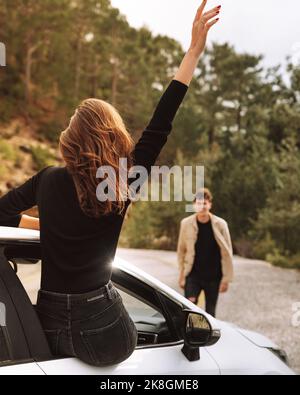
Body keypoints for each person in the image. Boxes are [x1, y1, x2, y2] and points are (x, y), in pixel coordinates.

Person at [0, 1, 221, 366]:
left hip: (50, 321)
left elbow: (2, 212)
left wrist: (43, 225)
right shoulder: (122, 181)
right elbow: (160, 122)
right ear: (110, 134)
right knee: (135, 339)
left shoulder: (48, 179)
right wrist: (193, 51)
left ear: (73, 137)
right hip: (102, 326)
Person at [177, 188, 233, 317]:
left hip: (214, 276)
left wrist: (226, 279)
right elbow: (181, 250)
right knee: (189, 310)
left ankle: (208, 337)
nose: (202, 206)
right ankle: (190, 337)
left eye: (205, 203)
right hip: (193, 275)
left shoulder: (221, 224)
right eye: (199, 203)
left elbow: (227, 253)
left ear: (210, 205)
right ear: (194, 205)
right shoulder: (186, 223)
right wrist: (181, 275)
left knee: (210, 313)